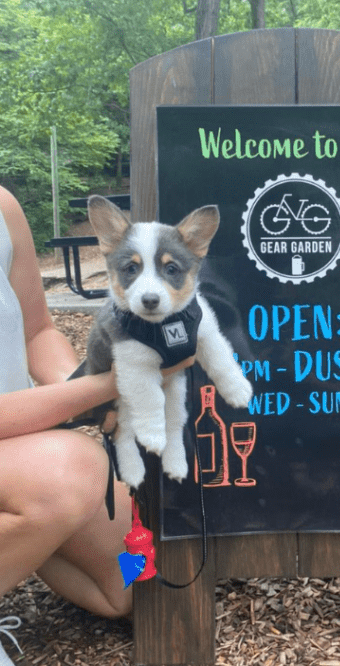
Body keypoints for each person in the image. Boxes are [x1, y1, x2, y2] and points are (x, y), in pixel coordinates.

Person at [0, 185, 190, 664]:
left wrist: (78, 384)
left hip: (22, 445)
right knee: (72, 473)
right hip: (24, 442)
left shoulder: (3, 206)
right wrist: (108, 386)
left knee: (131, 582)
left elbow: (38, 330)